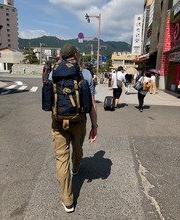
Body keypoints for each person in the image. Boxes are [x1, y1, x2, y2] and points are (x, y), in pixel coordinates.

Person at [51, 44, 98, 213]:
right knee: (77, 149)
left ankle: (67, 200)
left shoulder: (53, 73)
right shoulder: (85, 73)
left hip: (58, 122)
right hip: (79, 121)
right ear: (75, 56)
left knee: (61, 158)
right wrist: (95, 125)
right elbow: (91, 104)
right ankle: (76, 167)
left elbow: (50, 100)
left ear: (62, 57)